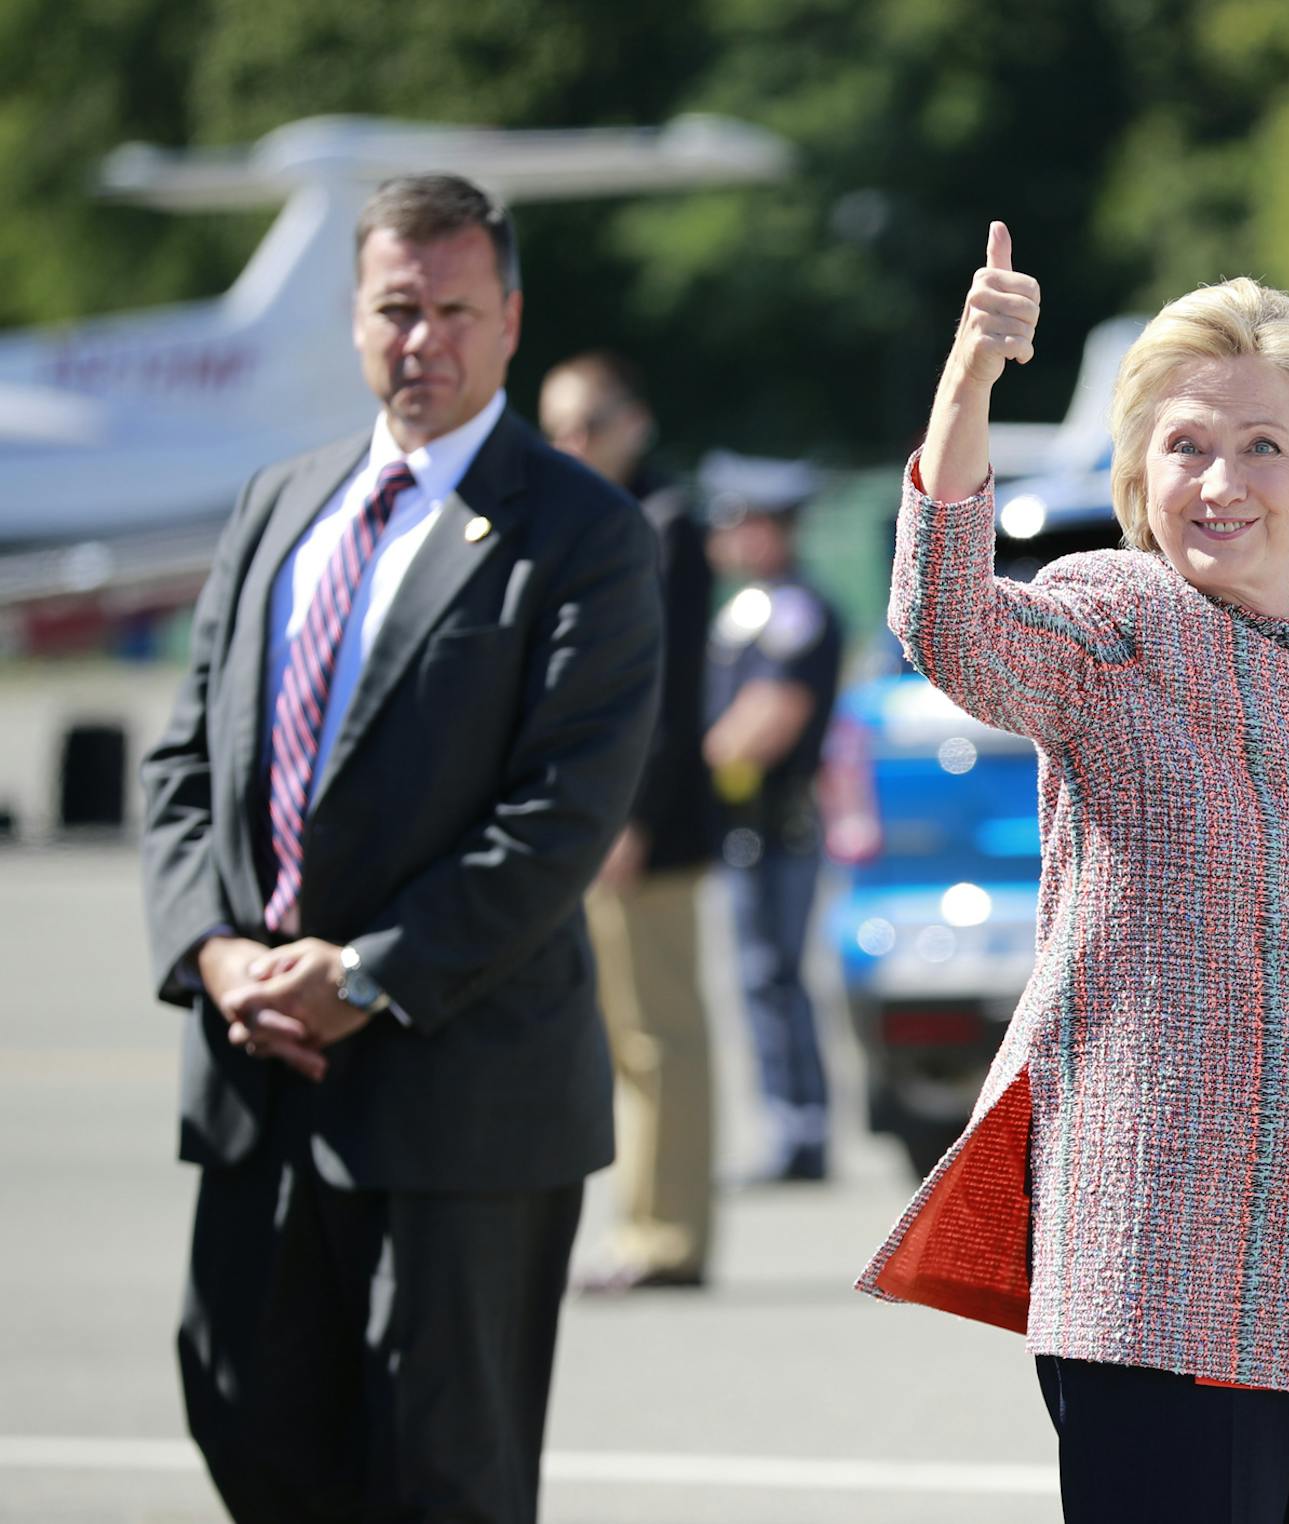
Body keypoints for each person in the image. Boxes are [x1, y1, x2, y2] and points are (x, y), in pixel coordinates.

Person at [857, 223, 1289, 1522]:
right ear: (1139, 467)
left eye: (1260, 446)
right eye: (1184, 445)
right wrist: (970, 382)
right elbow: (946, 624)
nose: (1216, 481)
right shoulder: (1111, 619)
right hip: (1158, 1265)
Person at [139, 175, 661, 1524]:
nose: (420, 339)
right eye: (393, 310)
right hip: (259, 1080)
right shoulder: (277, 506)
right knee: (243, 1422)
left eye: (451, 311)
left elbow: (562, 815)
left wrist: (362, 974)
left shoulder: (583, 533)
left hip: (461, 1096)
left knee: (445, 1482)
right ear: (354, 320)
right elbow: (184, 763)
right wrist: (216, 956)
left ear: (510, 322)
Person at [540, 352, 720, 1292]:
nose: (575, 443)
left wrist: (631, 816)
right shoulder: (603, 519)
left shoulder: (664, 525)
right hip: (607, 819)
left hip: (645, 824)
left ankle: (666, 1235)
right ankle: (647, 1223)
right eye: (560, 427)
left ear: (635, 422)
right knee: (626, 1034)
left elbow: (666, 692)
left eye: (592, 422)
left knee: (659, 1034)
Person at [701, 475, 843, 1182]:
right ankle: (785, 1119)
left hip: (779, 823)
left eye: (742, 524)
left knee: (776, 976)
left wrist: (692, 766)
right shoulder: (746, 610)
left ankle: (802, 1128)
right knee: (760, 980)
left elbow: (768, 719)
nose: (728, 539)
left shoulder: (796, 611)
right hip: (744, 825)